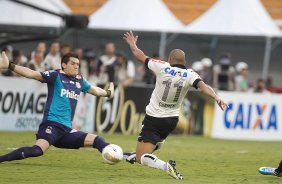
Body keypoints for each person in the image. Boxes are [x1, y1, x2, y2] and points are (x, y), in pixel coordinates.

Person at [123, 31, 228, 180]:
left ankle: (166, 166)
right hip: (172, 120)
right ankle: (140, 153)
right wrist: (216, 97)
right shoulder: (191, 74)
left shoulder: (162, 66)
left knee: (142, 157)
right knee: (155, 142)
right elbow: (204, 87)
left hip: (154, 117)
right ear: (184, 62)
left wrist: (132, 44)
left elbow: (139, 55)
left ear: (170, 59)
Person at [0, 51, 115, 163]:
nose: (76, 67)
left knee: (97, 140)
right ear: (64, 65)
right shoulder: (56, 75)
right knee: (37, 151)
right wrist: (10, 66)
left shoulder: (79, 80)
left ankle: (116, 154)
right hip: (52, 126)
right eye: (73, 64)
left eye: (78, 64)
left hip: (67, 131)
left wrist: (108, 93)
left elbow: (94, 90)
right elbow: (31, 73)